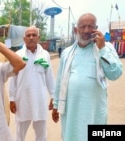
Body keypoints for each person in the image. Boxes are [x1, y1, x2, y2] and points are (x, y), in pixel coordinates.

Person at [52, 13, 123, 141]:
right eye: (82, 26)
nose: (86, 31)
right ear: (76, 30)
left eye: (90, 27)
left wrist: (102, 49)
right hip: (71, 110)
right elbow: (60, 81)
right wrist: (56, 104)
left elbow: (115, 74)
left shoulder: (107, 48)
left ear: (96, 28)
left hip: (94, 111)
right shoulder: (67, 53)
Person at [8, 26, 55, 141]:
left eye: (34, 35)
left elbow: (49, 77)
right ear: (24, 39)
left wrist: (54, 96)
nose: (31, 37)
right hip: (22, 100)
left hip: (40, 100)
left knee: (41, 134)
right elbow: (12, 79)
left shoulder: (45, 55)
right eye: (28, 35)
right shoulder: (18, 55)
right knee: (20, 134)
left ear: (38, 38)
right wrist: (12, 99)